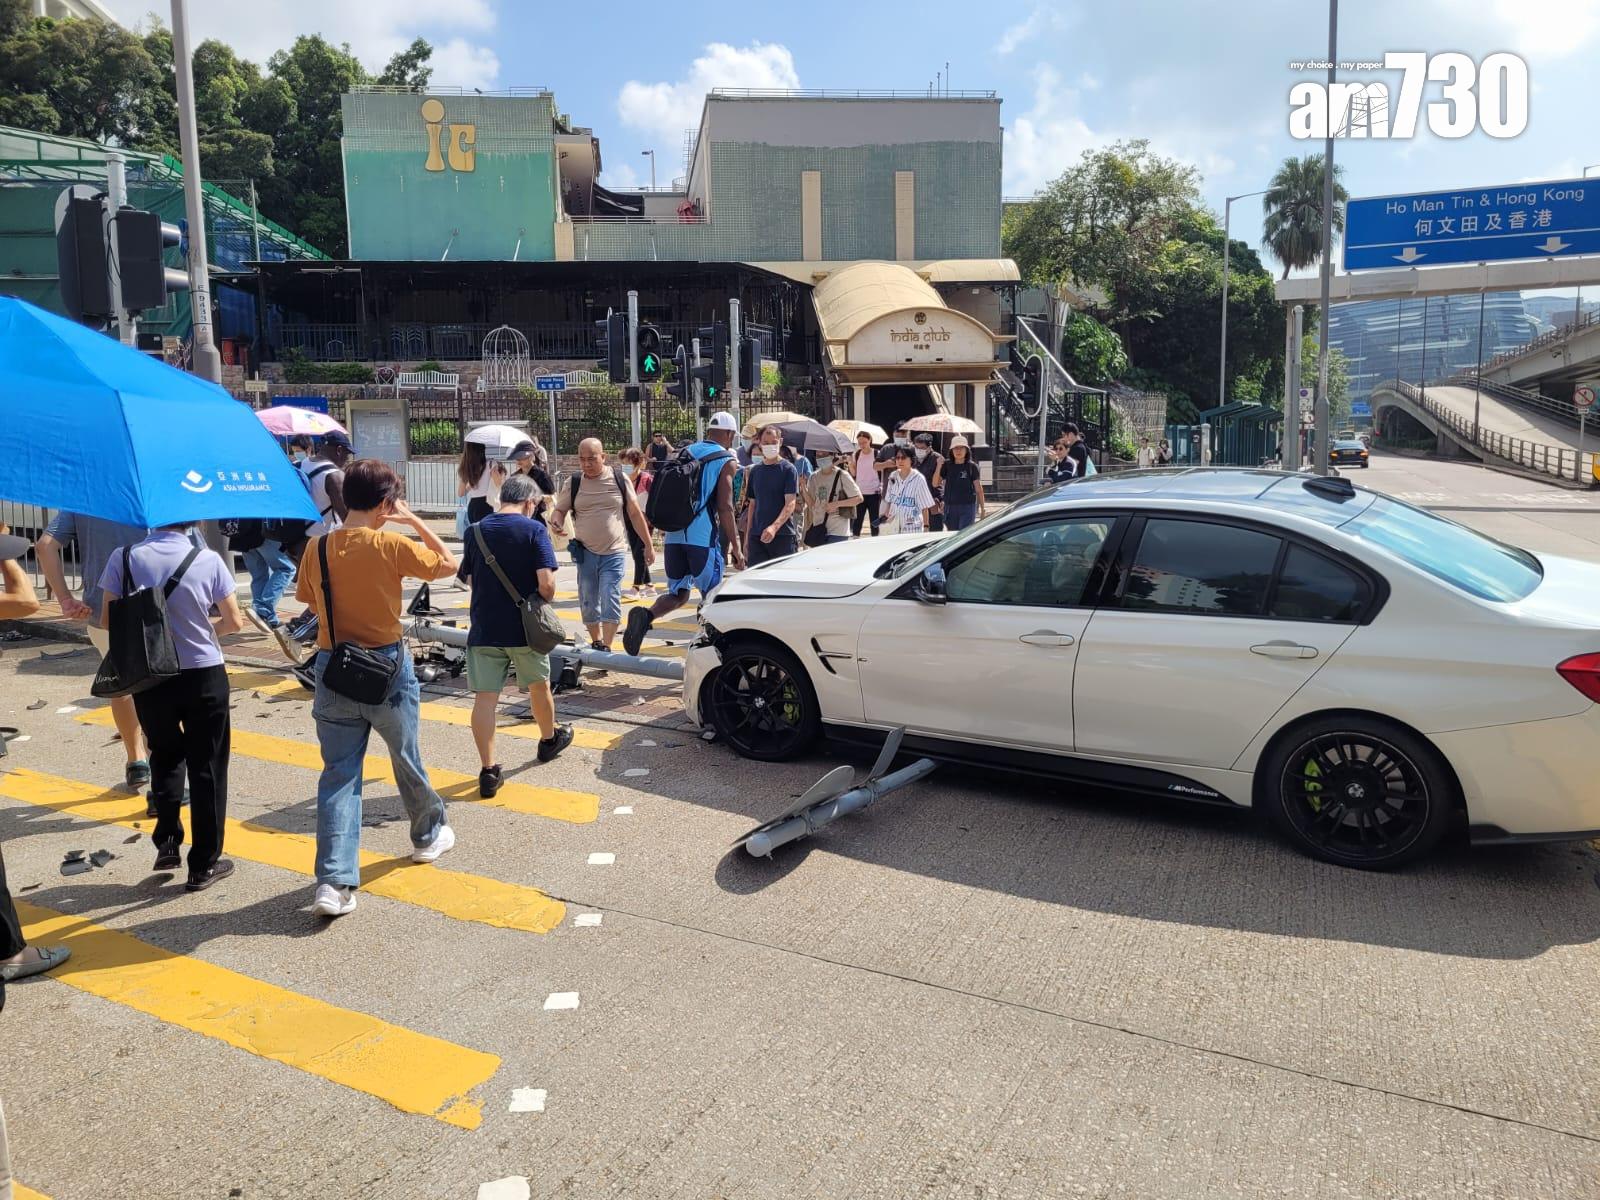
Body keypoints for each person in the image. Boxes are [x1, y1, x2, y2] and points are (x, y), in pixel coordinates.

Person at [294, 460, 461, 918]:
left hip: (334, 667)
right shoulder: (391, 544)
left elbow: (306, 599)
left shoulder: (318, 547)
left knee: (339, 775)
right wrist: (413, 520)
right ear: (386, 503)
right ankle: (427, 835)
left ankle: (333, 883)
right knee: (405, 756)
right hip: (387, 667)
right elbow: (448, 564)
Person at [98, 523, 243, 891]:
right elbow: (234, 621)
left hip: (151, 674)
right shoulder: (209, 559)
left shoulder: (124, 558)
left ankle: (167, 840)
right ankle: (203, 865)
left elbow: (107, 621)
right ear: (190, 522)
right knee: (208, 767)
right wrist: (203, 631)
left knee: (163, 754)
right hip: (204, 673)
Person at [458, 473, 573, 797]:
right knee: (538, 686)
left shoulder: (474, 530)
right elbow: (546, 585)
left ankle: (488, 770)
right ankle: (549, 740)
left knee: (485, 699)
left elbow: (469, 578)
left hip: (484, 628)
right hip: (525, 630)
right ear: (529, 502)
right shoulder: (534, 530)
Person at [36, 511, 151, 789]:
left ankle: (136, 759)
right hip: (157, 607)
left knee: (122, 688)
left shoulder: (85, 499)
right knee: (159, 688)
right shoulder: (154, 492)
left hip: (102, 611)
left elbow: (44, 545)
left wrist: (65, 598)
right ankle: (159, 761)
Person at [622, 411, 744, 656]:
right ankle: (712, 648)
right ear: (730, 434)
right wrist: (737, 547)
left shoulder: (684, 453)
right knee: (712, 595)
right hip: (701, 537)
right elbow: (725, 506)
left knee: (678, 594)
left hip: (674, 535)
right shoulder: (725, 460)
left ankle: (646, 616)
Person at [550, 438, 653, 652]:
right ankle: (596, 641)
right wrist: (556, 522)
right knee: (588, 598)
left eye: (592, 459)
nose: (587, 464)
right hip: (585, 552)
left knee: (610, 595)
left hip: (614, 551)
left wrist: (648, 545)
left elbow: (635, 514)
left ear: (603, 457)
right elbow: (559, 510)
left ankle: (607, 645)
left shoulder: (619, 479)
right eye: (582, 459)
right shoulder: (574, 482)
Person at [742, 425, 800, 566]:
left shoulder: (788, 470)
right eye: (766, 443)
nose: (770, 446)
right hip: (757, 536)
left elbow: (790, 503)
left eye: (773, 442)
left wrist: (774, 527)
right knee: (756, 576)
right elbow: (752, 505)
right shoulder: (755, 471)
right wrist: (747, 538)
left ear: (780, 442)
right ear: (759, 443)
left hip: (782, 536)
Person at [806, 445, 862, 545]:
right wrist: (802, 487)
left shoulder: (842, 475)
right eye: (818, 455)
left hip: (838, 530)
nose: (820, 457)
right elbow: (811, 504)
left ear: (832, 456)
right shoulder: (813, 477)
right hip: (819, 528)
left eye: (824, 454)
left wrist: (836, 504)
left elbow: (858, 498)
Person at [618, 447, 655, 598]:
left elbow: (656, 500)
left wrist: (652, 518)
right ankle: (650, 586)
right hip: (629, 520)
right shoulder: (622, 481)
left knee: (640, 552)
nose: (625, 467)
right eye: (623, 464)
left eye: (628, 464)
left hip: (645, 522)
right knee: (636, 553)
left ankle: (636, 588)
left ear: (638, 463)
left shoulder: (647, 479)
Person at [934, 437, 985, 530]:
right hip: (950, 507)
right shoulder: (946, 465)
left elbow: (978, 489)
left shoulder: (972, 466)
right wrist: (938, 466)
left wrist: (983, 508)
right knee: (953, 534)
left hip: (968, 506)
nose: (958, 451)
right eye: (956, 448)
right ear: (951, 450)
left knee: (965, 533)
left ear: (966, 450)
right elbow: (935, 484)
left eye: (961, 448)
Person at [883, 445, 936, 534]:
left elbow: (924, 506)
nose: (900, 460)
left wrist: (926, 526)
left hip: (912, 528)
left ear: (911, 459)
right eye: (897, 458)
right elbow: (889, 499)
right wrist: (886, 513)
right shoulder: (893, 476)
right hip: (894, 526)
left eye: (903, 457)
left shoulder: (919, 478)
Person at [457, 441, 500, 525]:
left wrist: (472, 484)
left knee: (476, 532)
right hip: (487, 504)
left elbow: (461, 493)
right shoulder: (491, 464)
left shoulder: (468, 467)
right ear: (482, 449)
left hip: (473, 506)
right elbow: (498, 484)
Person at [850, 431, 883, 537]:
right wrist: (850, 463)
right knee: (857, 520)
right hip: (860, 492)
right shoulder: (856, 454)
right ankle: (855, 538)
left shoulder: (877, 453)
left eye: (864, 442)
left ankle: (875, 539)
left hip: (874, 492)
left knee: (875, 520)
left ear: (870, 440)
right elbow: (854, 473)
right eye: (860, 443)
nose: (862, 445)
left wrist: (881, 486)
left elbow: (882, 471)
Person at [911, 433, 946, 532]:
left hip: (933, 500)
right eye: (917, 447)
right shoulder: (913, 458)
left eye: (922, 448)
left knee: (935, 531)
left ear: (929, 447)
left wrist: (939, 465)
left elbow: (940, 482)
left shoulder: (937, 458)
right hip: (917, 502)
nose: (919, 450)